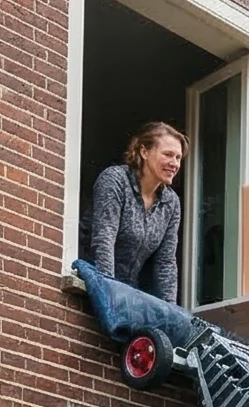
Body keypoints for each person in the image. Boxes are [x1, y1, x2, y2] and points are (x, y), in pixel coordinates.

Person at [74, 120, 205, 354]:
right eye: (168, 155)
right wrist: (109, 297)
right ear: (144, 151)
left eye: (178, 158)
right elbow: (104, 240)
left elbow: (166, 264)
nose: (174, 163)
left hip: (126, 293)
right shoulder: (115, 180)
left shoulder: (171, 203)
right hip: (97, 285)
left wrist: (170, 319)